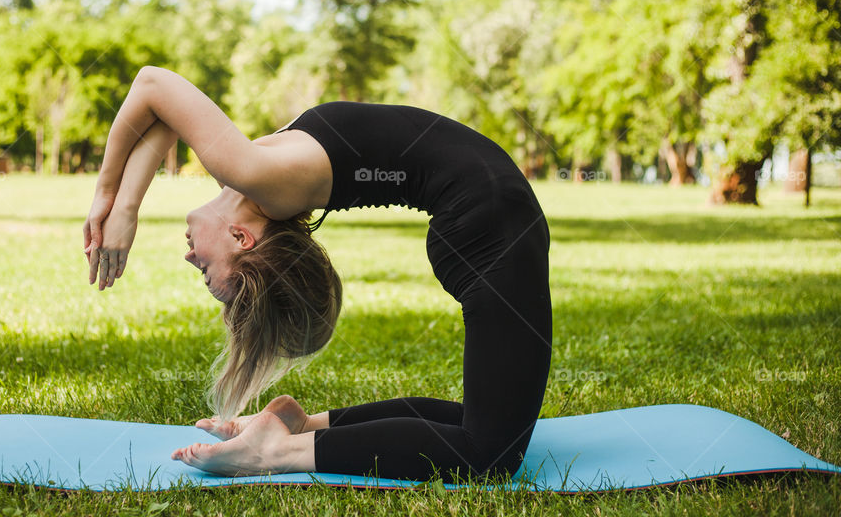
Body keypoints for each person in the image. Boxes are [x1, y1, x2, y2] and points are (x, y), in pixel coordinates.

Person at [83, 66, 552, 484]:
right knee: (487, 447)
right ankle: (295, 436)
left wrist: (117, 202)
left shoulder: (251, 171)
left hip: (489, 213)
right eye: (204, 269)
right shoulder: (251, 174)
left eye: (204, 270)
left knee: (486, 446)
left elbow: (154, 91)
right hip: (493, 215)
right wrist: (120, 203)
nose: (190, 260)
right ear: (242, 239)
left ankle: (284, 444)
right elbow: (158, 104)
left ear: (241, 239)